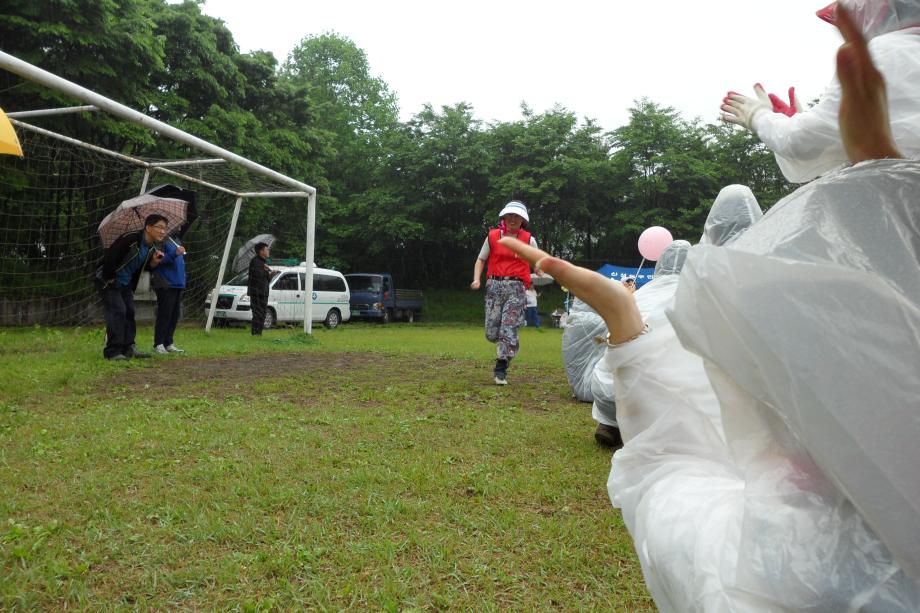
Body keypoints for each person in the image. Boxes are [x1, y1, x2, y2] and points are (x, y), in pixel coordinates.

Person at [720, 0, 919, 183]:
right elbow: (864, 158)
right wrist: (803, 119)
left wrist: (758, 117)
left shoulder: (882, 52)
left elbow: (800, 143)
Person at [470, 200, 540, 385]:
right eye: (510, 215)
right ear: (504, 217)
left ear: (522, 220)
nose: (513, 219)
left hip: (516, 288)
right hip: (494, 286)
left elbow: (538, 261)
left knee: (507, 329)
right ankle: (511, 343)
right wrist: (477, 279)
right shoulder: (493, 236)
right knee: (492, 333)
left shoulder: (528, 240)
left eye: (517, 216)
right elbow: (480, 259)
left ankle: (501, 368)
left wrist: (541, 271)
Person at [99, 214, 166, 360]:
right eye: (160, 227)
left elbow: (143, 268)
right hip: (109, 280)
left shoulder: (151, 248)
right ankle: (113, 352)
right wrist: (109, 277)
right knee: (119, 311)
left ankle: (129, 348)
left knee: (129, 312)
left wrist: (153, 262)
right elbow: (111, 254)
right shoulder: (130, 238)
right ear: (148, 228)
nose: (163, 231)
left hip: (126, 283)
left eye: (164, 229)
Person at [151, 236, 187, 354]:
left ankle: (168, 343)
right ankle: (159, 343)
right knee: (164, 314)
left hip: (178, 283)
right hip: (166, 283)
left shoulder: (176, 239)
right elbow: (158, 260)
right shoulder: (160, 240)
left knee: (174, 315)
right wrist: (175, 253)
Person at [247, 242, 276, 336]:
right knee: (257, 313)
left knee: (263, 313)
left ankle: (258, 334)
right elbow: (257, 276)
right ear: (261, 251)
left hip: (263, 292)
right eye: (267, 249)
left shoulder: (263, 263)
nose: (269, 251)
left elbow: (266, 279)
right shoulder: (255, 261)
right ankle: (255, 334)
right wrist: (265, 269)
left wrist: (271, 274)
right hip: (256, 292)